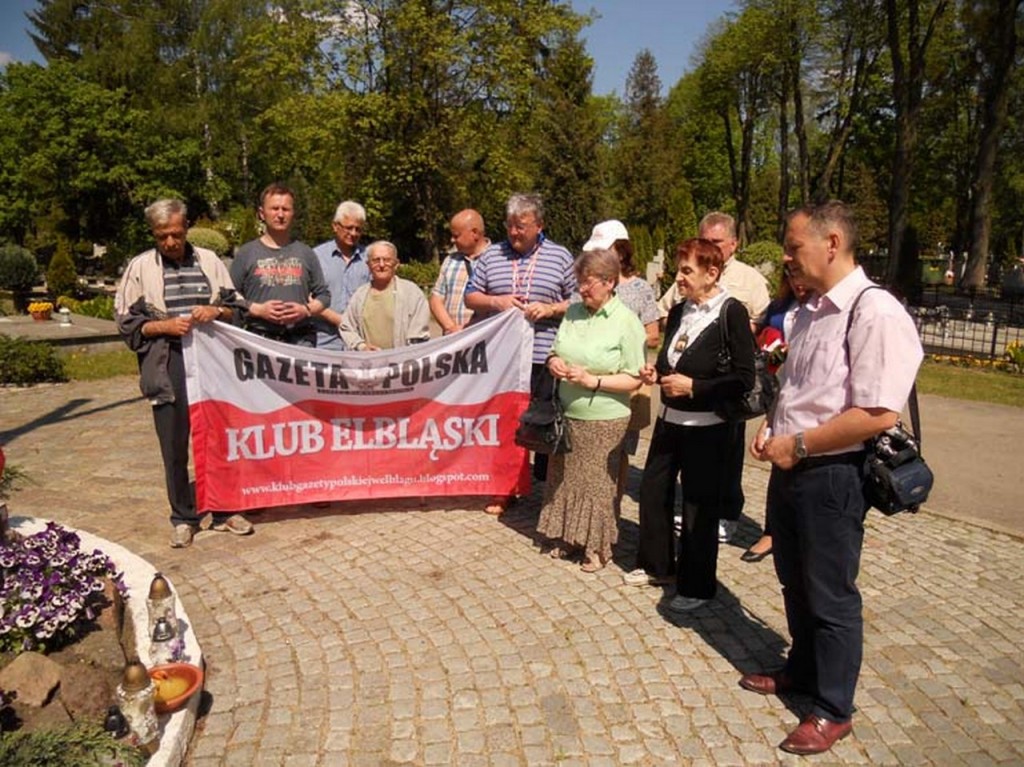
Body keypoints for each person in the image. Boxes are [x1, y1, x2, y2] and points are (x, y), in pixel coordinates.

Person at [740, 201, 922, 756]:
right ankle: (801, 668)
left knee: (830, 594)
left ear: (832, 243)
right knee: (794, 579)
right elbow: (799, 387)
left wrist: (795, 444)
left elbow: (877, 413)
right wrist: (775, 425)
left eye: (794, 247)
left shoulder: (875, 312)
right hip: (793, 466)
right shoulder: (810, 311)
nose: (787, 258)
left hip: (834, 473)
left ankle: (833, 707)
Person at [115, 199, 254, 548]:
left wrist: (216, 310)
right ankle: (183, 516)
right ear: (154, 235)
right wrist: (163, 326)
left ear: (187, 227)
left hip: (212, 364)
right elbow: (126, 325)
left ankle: (223, 510)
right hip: (168, 363)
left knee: (219, 439)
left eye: (176, 234)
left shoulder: (209, 261)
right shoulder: (140, 267)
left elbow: (239, 309)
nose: (171, 242)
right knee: (174, 445)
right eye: (163, 236)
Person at [625, 238, 754, 610]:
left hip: (707, 426)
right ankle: (657, 564)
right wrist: (658, 371)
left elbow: (744, 378)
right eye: (679, 270)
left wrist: (696, 386)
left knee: (699, 505)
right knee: (653, 491)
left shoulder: (731, 313)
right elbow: (673, 359)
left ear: (711, 274)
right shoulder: (681, 310)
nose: (678, 278)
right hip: (669, 422)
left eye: (687, 271)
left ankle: (697, 586)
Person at [657, 212, 770, 545]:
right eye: (704, 238)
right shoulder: (689, 273)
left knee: (728, 457)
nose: (709, 245)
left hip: (724, 388)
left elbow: (763, 324)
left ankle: (727, 514)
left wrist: (732, 333)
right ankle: (702, 514)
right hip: (685, 395)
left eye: (717, 241)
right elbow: (666, 310)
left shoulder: (748, 280)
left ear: (733, 244)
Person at [464, 193, 576, 510]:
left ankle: (549, 495)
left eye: (521, 227)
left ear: (539, 225)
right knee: (505, 424)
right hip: (502, 360)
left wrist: (552, 308)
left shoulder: (560, 256)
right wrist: (495, 302)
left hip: (544, 354)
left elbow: (579, 300)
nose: (514, 233)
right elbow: (470, 296)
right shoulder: (491, 256)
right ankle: (505, 488)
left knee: (542, 424)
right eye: (510, 226)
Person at [539, 249, 645, 572]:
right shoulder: (573, 312)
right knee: (566, 479)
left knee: (597, 484)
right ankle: (567, 535)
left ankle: (598, 548)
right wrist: (554, 361)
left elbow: (633, 378)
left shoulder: (626, 322)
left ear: (609, 282)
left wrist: (592, 380)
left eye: (588, 283)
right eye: (579, 282)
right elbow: (556, 349)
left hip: (605, 416)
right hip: (568, 413)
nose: (582, 289)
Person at [581, 220, 659, 510]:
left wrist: (621, 333)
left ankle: (610, 507)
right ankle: (586, 507)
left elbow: (652, 336)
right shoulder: (589, 284)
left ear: (620, 251)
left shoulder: (640, 289)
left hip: (626, 382)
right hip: (591, 380)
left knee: (620, 449)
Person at [741, 271, 809, 563]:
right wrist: (779, 353)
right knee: (778, 467)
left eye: (802, 276)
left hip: (814, 399)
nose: (798, 283)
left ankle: (801, 535)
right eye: (792, 277)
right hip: (782, 392)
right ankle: (772, 532)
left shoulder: (826, 308)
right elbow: (769, 355)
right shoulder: (782, 306)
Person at [230, 183, 331, 347]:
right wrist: (256, 309)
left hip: (300, 341)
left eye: (286, 209)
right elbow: (229, 296)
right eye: (275, 208)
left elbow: (324, 296)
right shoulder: (246, 253)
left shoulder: (306, 253)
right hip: (259, 341)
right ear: (262, 214)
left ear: (293, 214)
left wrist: (306, 310)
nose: (280, 214)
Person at [339, 241, 430, 350]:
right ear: (368, 265)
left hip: (402, 363)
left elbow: (419, 336)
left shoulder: (412, 293)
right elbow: (346, 327)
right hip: (369, 364)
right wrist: (361, 346)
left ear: (396, 264)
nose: (381, 265)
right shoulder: (359, 295)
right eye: (376, 260)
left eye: (387, 260)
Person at [312, 200, 370, 349]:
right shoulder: (316, 256)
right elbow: (307, 296)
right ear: (335, 226)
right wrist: (336, 319)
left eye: (358, 229)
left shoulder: (369, 258)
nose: (353, 233)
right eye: (349, 228)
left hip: (360, 342)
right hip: (324, 342)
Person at [430, 209, 490, 335]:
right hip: (452, 342)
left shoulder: (497, 260)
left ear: (475, 233)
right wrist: (451, 328)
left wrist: (466, 329)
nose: (452, 240)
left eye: (456, 235)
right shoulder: (450, 260)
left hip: (484, 339)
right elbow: (436, 299)